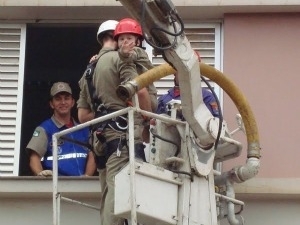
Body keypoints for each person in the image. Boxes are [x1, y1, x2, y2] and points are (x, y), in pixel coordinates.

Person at [77, 19, 153, 225]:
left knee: (108, 191)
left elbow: (83, 116)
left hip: (100, 139)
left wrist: (107, 112)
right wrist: (148, 117)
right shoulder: (123, 60)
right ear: (118, 37)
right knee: (120, 191)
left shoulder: (89, 70)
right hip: (122, 135)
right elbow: (142, 90)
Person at [26, 82, 96, 177]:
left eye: (66, 98)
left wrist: (87, 176)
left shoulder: (84, 129)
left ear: (72, 102)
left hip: (80, 187)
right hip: (55, 187)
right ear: (52, 104)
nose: (63, 102)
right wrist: (40, 175)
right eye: (58, 99)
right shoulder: (44, 129)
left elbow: (93, 155)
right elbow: (34, 158)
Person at [157, 52, 220, 118]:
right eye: (181, 69)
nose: (185, 75)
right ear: (174, 72)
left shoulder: (206, 97)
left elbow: (215, 125)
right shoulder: (163, 100)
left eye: (190, 70)